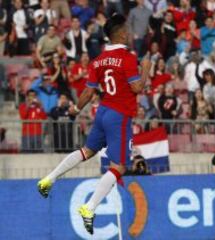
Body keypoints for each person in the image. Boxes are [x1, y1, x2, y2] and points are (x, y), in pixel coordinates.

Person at [37, 14, 151, 235]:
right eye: (127, 30)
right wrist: (146, 68)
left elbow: (89, 92)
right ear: (122, 34)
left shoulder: (98, 60)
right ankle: (89, 208)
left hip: (103, 111)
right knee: (119, 166)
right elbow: (137, 88)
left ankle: (48, 179)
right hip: (119, 115)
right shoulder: (127, 57)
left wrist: (76, 110)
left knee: (87, 150)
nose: (129, 33)